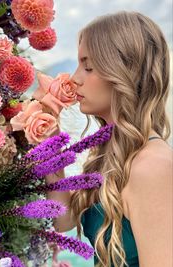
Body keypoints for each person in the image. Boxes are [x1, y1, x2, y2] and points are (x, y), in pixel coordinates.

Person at [46, 11, 173, 267]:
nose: (74, 78)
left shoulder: (152, 165)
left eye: (88, 66)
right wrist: (50, 140)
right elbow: (63, 220)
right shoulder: (112, 153)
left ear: (124, 73)